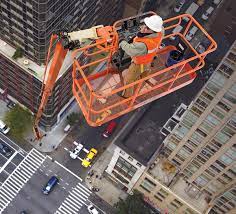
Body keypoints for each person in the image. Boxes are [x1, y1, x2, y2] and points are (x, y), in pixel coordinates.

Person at [118, 15, 164, 98]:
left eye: (147, 28)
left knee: (128, 79)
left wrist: (121, 42)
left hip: (139, 63)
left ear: (153, 31)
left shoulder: (144, 45)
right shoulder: (160, 31)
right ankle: (145, 78)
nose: (143, 28)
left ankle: (127, 95)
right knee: (145, 69)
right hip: (148, 59)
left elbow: (130, 50)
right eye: (145, 25)